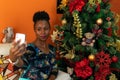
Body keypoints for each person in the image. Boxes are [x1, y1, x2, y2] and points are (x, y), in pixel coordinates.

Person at [9, 11, 58, 80]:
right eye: (39, 29)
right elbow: (22, 64)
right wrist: (14, 59)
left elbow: (54, 69)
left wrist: (51, 78)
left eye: (46, 29)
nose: (43, 32)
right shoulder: (29, 48)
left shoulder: (52, 49)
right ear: (34, 30)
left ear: (49, 29)